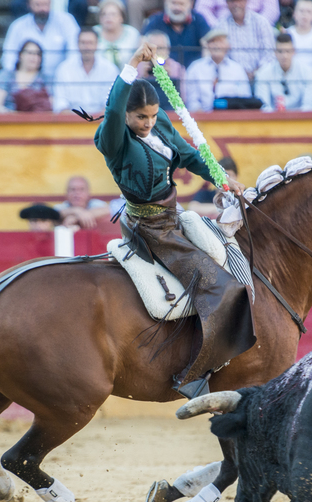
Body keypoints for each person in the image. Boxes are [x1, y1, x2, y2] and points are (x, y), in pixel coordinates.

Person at [95, 41, 254, 398]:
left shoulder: (162, 124)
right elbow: (114, 107)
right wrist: (133, 61)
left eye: (152, 115)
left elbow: (189, 156)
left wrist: (225, 181)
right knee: (221, 287)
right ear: (125, 116)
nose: (148, 123)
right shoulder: (114, 139)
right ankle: (192, 374)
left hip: (173, 216)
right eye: (140, 117)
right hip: (151, 228)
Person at [1, 0, 80, 89]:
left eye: (46, 4)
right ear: (29, 5)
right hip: (28, 81)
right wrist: (17, 78)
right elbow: (8, 56)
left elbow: (74, 51)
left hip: (60, 79)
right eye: (37, 5)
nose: (43, 9)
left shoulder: (66, 21)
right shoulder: (18, 26)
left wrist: (64, 74)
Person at [52, 29, 119, 114]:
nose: (87, 47)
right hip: (70, 123)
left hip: (101, 123)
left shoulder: (110, 70)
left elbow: (111, 105)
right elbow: (61, 104)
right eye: (83, 43)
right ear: (77, 44)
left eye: (90, 43)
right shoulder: (63, 69)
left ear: (97, 44)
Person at [183, 28, 250, 112]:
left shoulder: (237, 69)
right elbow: (192, 101)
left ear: (228, 46)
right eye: (213, 42)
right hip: (202, 119)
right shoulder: (195, 68)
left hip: (232, 119)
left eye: (221, 42)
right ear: (207, 45)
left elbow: (245, 98)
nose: (217, 45)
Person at [254, 34, 312, 112]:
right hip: (272, 121)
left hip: (301, 121)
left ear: (294, 51)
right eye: (280, 52)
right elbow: (263, 106)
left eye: (288, 51)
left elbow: (309, 105)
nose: (284, 56)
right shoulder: (263, 74)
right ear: (275, 53)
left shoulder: (307, 72)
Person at [141, 0, 209, 68]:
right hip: (162, 71)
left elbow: (207, 48)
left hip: (193, 74)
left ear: (191, 5)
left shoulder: (199, 20)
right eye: (173, 3)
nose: (177, 8)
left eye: (181, 4)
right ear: (165, 2)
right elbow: (142, 46)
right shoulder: (155, 21)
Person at [214, 0, 273, 79]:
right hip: (232, 79)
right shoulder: (221, 25)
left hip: (261, 77)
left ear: (246, 1)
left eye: (239, 1)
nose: (236, 4)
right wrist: (240, 74)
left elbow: (269, 54)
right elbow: (221, 57)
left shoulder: (261, 22)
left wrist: (256, 73)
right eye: (232, 1)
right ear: (227, 3)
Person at [0, 39, 47, 112]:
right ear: (21, 55)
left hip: (37, 121)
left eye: (38, 54)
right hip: (7, 120)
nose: (34, 57)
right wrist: (13, 117)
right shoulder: (5, 75)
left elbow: (51, 106)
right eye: (30, 53)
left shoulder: (46, 79)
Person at [137, 30, 186, 110]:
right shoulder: (138, 67)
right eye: (151, 48)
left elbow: (183, 100)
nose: (156, 52)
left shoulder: (177, 68)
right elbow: (129, 98)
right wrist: (141, 77)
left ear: (168, 49)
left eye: (160, 48)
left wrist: (170, 79)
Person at [94, 0, 140, 68]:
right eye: (104, 14)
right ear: (100, 18)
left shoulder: (132, 34)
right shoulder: (93, 33)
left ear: (121, 17)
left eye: (113, 14)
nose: (108, 17)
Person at [194, 0, 278, 28]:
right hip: (221, 29)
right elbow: (201, 8)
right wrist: (217, 27)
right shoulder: (219, 26)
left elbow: (272, 10)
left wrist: (255, 26)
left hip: (256, 27)